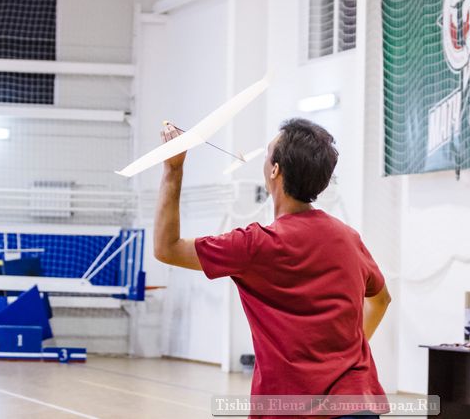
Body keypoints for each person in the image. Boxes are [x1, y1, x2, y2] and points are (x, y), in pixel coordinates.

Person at [154, 118, 391, 419]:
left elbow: (167, 248)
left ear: (275, 170)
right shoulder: (348, 238)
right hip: (358, 403)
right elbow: (381, 300)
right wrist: (348, 354)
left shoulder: (255, 245)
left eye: (267, 154)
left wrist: (173, 169)